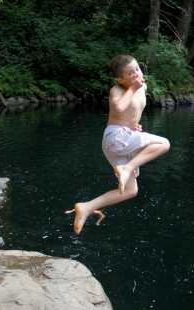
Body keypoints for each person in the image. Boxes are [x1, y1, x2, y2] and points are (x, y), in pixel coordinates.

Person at [66, 54, 170, 234]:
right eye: (130, 73)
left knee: (130, 191)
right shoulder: (117, 90)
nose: (136, 74)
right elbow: (119, 108)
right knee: (164, 143)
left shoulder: (142, 86)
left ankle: (87, 207)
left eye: (137, 69)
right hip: (116, 138)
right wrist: (132, 89)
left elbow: (129, 112)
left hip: (124, 138)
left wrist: (133, 124)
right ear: (120, 79)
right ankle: (127, 168)